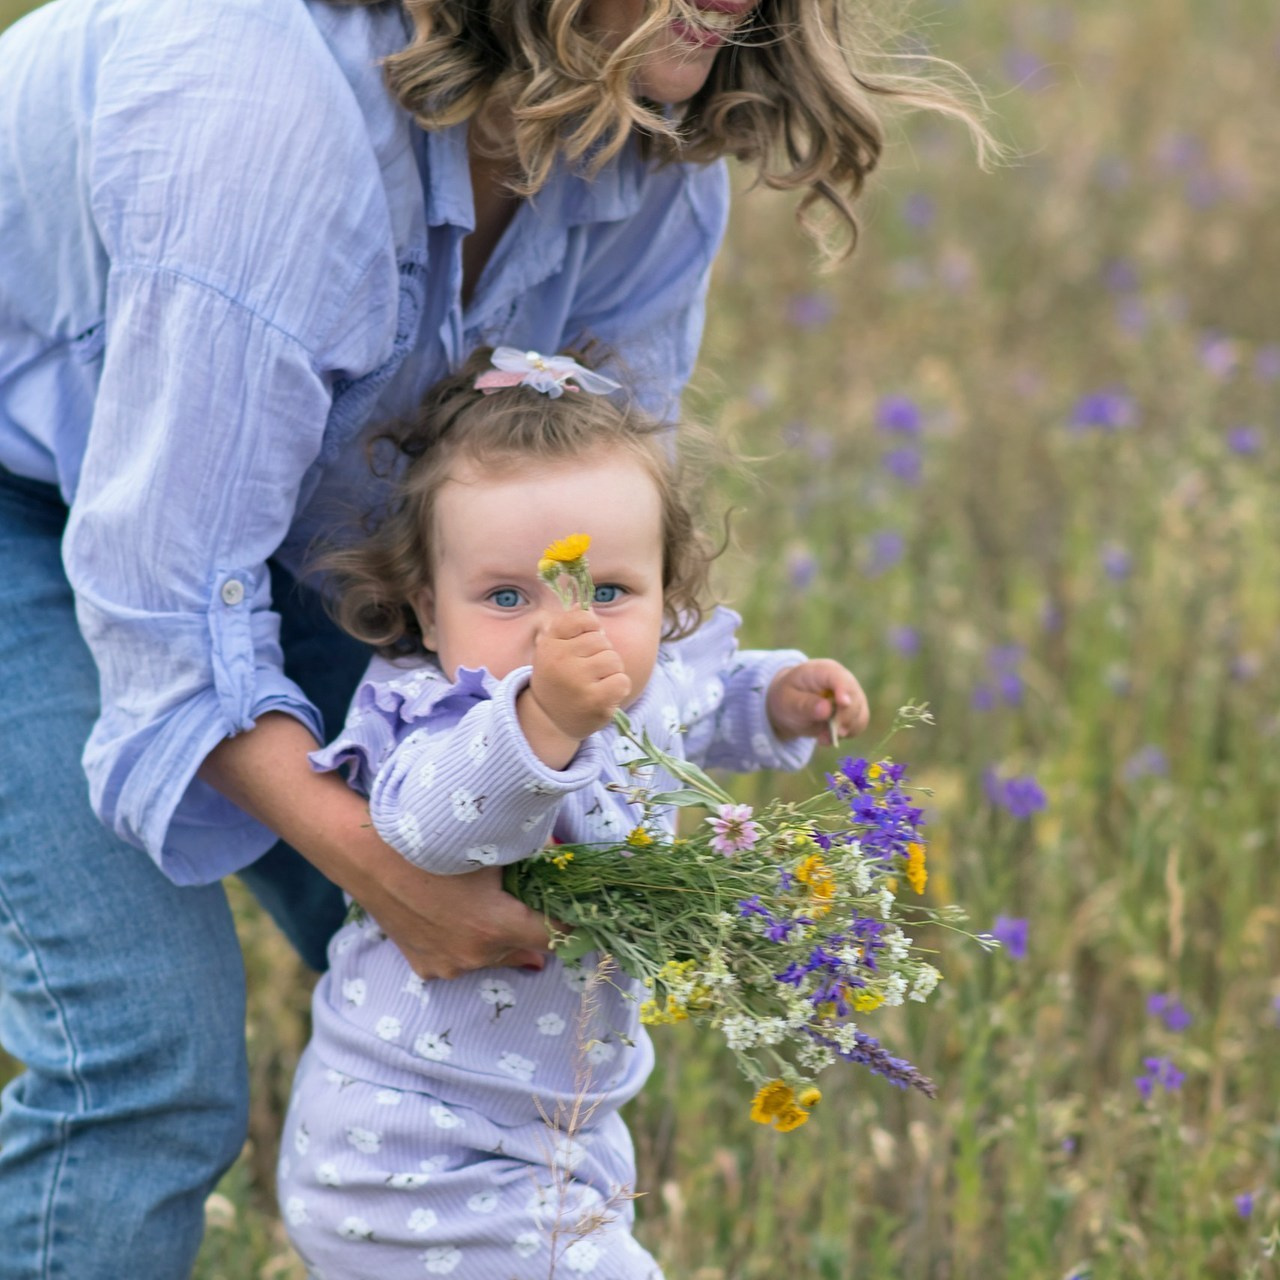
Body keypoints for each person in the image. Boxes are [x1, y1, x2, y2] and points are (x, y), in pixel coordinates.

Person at [0, 0, 989, 1272]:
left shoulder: (645, 128)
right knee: (146, 1056)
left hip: (282, 512)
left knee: (488, 939)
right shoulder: (260, 113)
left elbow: (605, 554)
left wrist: (729, 699)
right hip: (29, 498)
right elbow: (168, 596)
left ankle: (428, 1223)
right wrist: (387, 861)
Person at [275, 345, 869, 1277]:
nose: (563, 628)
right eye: (507, 595)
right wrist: (540, 722)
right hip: (415, 1147)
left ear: (667, 592)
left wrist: (779, 698)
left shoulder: (643, 684)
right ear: (427, 611)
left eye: (609, 591)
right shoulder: (429, 709)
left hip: (563, 1130)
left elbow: (703, 702)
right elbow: (433, 827)